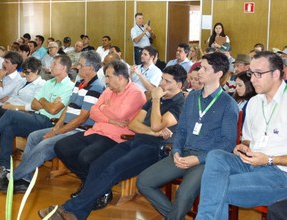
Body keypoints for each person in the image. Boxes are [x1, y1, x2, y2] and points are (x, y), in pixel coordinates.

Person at [38, 65, 187, 220]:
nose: (162, 83)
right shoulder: (157, 99)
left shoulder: (179, 104)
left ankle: (68, 209)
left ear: (179, 85)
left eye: (167, 81)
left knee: (113, 169)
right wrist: (153, 131)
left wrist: (155, 99)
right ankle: (76, 214)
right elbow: (134, 125)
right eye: (162, 79)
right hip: (136, 141)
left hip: (155, 149)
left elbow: (156, 124)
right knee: (98, 165)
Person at [137, 52, 239, 220]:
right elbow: (182, 129)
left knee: (183, 195)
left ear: (218, 74)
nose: (199, 72)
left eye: (205, 69)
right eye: (200, 67)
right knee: (144, 181)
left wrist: (198, 159)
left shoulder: (228, 104)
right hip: (183, 153)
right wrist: (176, 150)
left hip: (207, 160)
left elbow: (227, 144)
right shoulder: (192, 96)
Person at [0, 51, 104, 193]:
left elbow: (82, 118)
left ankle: (13, 177)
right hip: (65, 127)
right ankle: (25, 179)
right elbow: (68, 109)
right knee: (34, 136)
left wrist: (57, 132)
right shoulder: (80, 82)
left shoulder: (96, 87)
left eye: (81, 65)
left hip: (79, 130)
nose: (77, 67)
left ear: (90, 68)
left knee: (45, 144)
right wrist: (56, 128)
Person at [196, 51, 287, 219]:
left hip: (280, 173)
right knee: (215, 156)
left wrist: (269, 159)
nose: (251, 79)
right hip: (251, 163)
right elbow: (248, 139)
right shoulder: (254, 102)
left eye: (258, 74)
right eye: (251, 73)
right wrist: (243, 147)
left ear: (276, 74)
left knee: (214, 188)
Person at [0, 55, 74, 179]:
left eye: (54, 64)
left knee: (7, 113)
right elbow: (34, 104)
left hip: (48, 122)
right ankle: (5, 169)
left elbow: (53, 110)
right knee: (6, 127)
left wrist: (42, 100)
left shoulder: (69, 86)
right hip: (36, 116)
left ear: (63, 67)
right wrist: (47, 102)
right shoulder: (49, 83)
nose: (51, 66)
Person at [54, 60, 146, 199]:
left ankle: (94, 188)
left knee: (85, 157)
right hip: (96, 131)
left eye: (108, 76)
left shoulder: (136, 92)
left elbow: (120, 114)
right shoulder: (108, 90)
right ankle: (94, 185)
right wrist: (109, 118)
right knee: (61, 147)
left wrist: (103, 108)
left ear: (120, 78)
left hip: (117, 137)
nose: (106, 80)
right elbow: (93, 111)